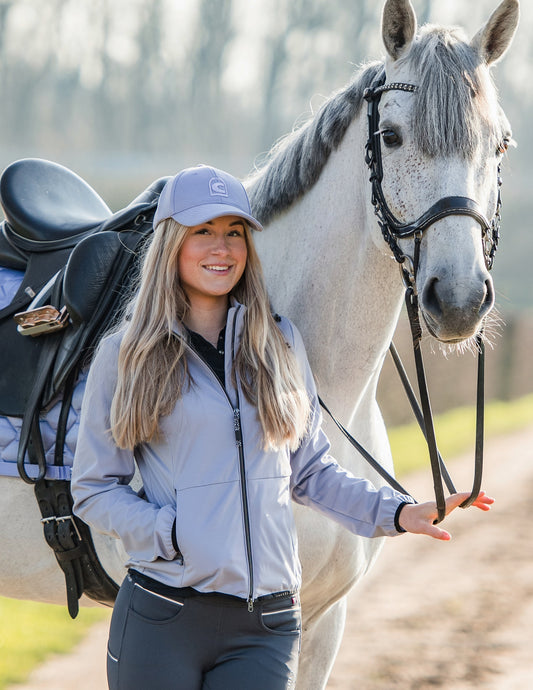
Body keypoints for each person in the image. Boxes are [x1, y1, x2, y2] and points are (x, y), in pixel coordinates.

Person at [71, 164, 494, 690]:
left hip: (265, 627)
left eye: (234, 233)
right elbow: (93, 489)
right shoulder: (126, 355)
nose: (221, 248)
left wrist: (399, 512)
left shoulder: (278, 344)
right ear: (172, 243)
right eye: (202, 232)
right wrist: (169, 532)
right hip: (163, 616)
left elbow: (311, 471)